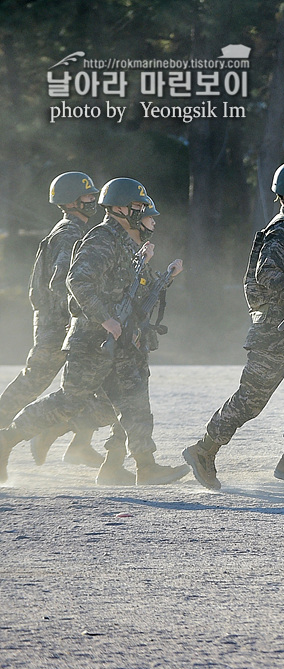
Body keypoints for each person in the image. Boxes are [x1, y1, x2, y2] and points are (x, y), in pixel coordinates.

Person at [0, 178, 188, 486]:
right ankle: (6, 440)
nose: (142, 212)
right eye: (137, 206)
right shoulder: (100, 237)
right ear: (117, 208)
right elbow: (77, 281)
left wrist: (163, 277)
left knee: (135, 399)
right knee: (69, 401)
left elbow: (130, 289)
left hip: (121, 339)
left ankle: (145, 466)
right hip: (92, 338)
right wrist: (105, 319)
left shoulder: (126, 242)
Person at [183, 161, 284, 490]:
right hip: (274, 334)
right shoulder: (282, 230)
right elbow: (268, 273)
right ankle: (203, 451)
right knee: (251, 401)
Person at [0, 172, 109, 468]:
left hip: (67, 321)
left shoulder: (80, 229)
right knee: (34, 380)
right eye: (87, 197)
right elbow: (61, 282)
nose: (93, 201)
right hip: (58, 322)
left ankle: (81, 444)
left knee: (89, 384)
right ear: (71, 201)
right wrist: (81, 314)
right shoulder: (70, 233)